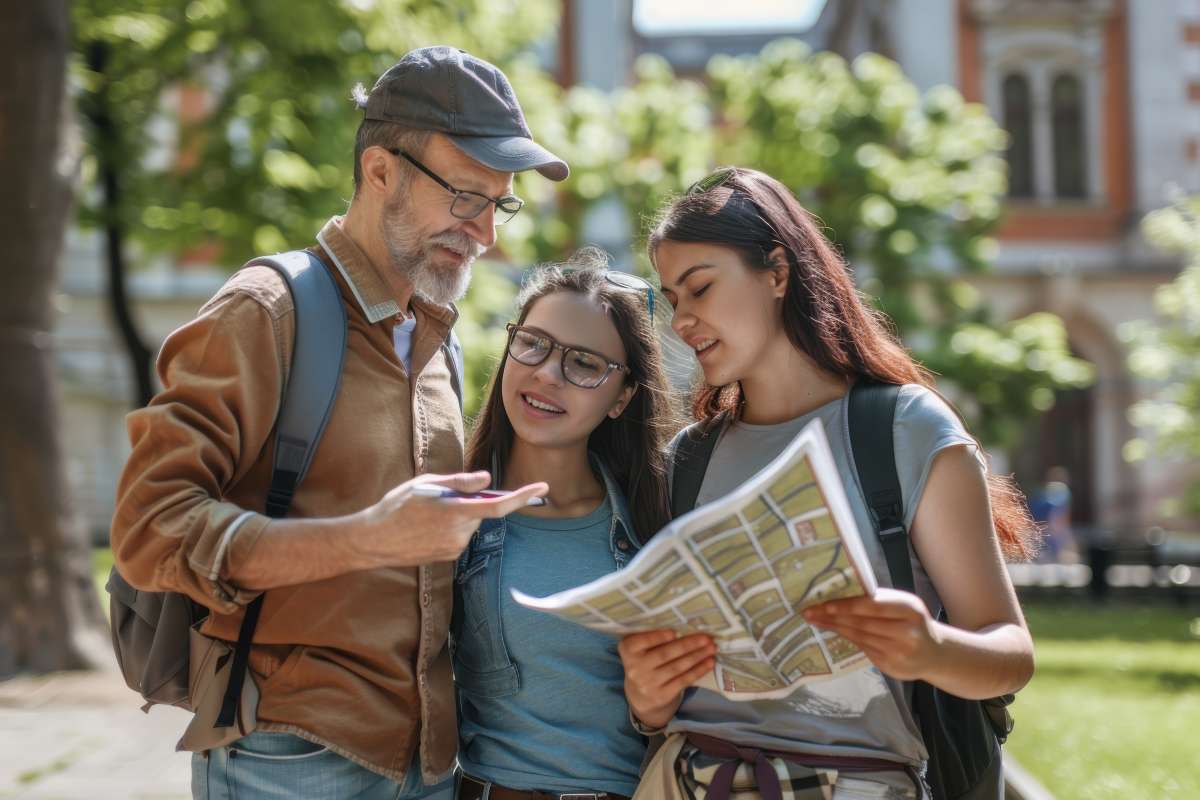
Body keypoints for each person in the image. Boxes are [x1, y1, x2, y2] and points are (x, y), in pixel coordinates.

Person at [110, 46, 565, 800]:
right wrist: (370, 539)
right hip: (288, 761)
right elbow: (150, 529)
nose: (486, 231)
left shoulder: (438, 333)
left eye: (499, 203)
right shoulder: (267, 310)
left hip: (427, 764)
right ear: (380, 170)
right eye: (464, 197)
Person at [618, 168, 1037, 799]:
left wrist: (931, 650)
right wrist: (646, 699)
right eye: (672, 299)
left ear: (777, 272)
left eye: (700, 288)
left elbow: (1010, 651)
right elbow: (663, 690)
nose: (682, 320)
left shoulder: (905, 429)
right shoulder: (688, 459)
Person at [444, 255, 677, 800]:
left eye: (585, 364)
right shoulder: (448, 509)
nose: (548, 373)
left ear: (622, 398)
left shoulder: (658, 525)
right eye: (534, 343)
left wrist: (655, 710)